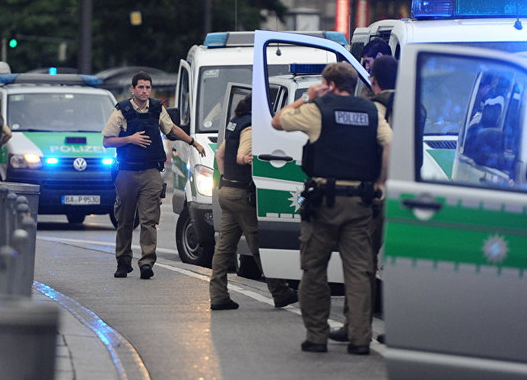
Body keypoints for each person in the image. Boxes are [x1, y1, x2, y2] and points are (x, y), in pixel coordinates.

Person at [272, 62, 391, 354]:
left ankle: (317, 336)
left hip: (324, 202)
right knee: (360, 272)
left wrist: (307, 97)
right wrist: (380, 183)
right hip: (360, 201)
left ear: (329, 84)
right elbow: (390, 143)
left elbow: (278, 121)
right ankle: (361, 339)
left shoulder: (318, 109)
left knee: (314, 269)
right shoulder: (372, 111)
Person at [102, 71, 205, 280]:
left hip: (151, 171)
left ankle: (147, 262)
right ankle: (123, 261)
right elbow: (107, 141)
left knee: (149, 220)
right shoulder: (122, 110)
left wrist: (192, 142)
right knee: (125, 220)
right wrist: (130, 139)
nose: (144, 91)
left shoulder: (157, 108)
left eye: (148, 87)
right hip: (126, 171)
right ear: (133, 89)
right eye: (140, 87)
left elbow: (172, 129)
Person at [329, 55, 398, 346]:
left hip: (377, 193)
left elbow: (382, 146)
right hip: (408, 193)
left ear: (373, 79)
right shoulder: (414, 105)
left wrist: (378, 183)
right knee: (400, 263)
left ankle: (355, 325)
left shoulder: (377, 107)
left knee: (362, 263)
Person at [209, 94, 298, 310]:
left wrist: (225, 178)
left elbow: (220, 155)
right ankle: (280, 291)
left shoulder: (235, 124)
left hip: (227, 190)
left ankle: (218, 295)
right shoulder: (249, 127)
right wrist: (248, 160)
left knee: (224, 247)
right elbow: (241, 155)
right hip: (240, 195)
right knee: (258, 242)